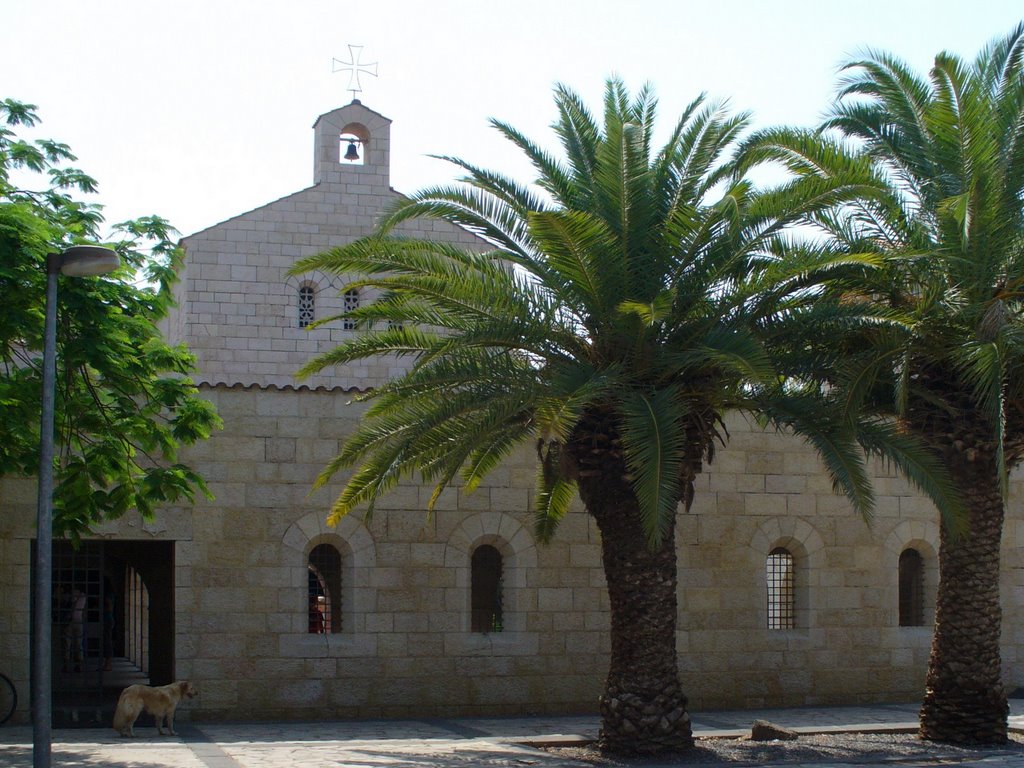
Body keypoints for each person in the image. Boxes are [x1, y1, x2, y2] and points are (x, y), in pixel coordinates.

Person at [63, 588, 86, 672]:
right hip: (79, 621)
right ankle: (79, 665)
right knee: (79, 645)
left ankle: (66, 666)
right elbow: (84, 612)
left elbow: (65, 605)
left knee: (67, 644)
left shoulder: (69, 594)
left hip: (69, 621)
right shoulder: (83, 596)